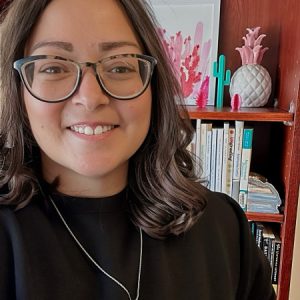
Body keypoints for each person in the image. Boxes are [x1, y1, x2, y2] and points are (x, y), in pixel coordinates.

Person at [0, 0, 275, 299]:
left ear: (152, 86)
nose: (91, 98)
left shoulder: (224, 229)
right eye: (53, 67)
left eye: (119, 66)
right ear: (17, 92)